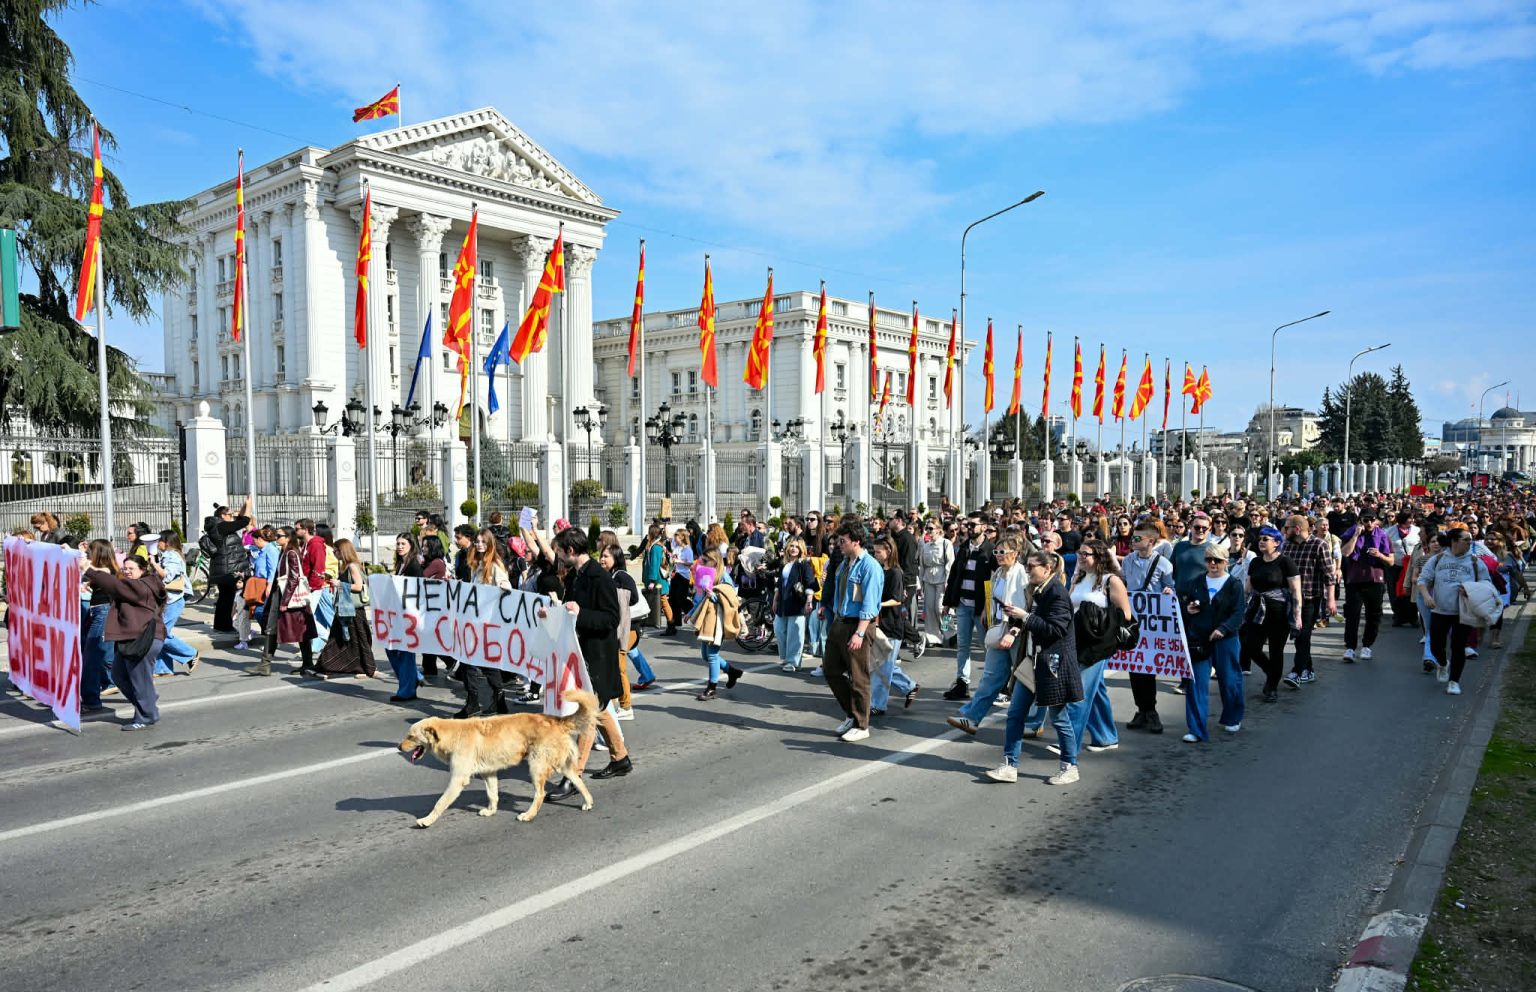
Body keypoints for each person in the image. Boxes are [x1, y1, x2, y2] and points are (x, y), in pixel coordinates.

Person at [544, 527, 633, 798]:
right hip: (580, 655)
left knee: (586, 716)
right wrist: (551, 613)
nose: (558, 557)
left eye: (560, 551)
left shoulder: (599, 578)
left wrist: (581, 614)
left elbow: (610, 620)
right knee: (600, 708)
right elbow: (570, 610)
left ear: (570, 551)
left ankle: (574, 776)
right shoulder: (576, 576)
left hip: (597, 656)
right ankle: (620, 758)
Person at [983, 549, 1084, 785]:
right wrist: (1018, 621)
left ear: (1047, 569)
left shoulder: (1056, 593)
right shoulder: (1039, 590)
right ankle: (1010, 764)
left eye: (1031, 567)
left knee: (1059, 718)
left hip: (1052, 664)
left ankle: (1070, 765)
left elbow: (1056, 630)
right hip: (1034, 662)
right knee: (1016, 713)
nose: (1027, 571)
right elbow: (1034, 622)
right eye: (1027, 566)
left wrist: (1025, 617)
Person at [945, 533, 1032, 737]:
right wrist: (987, 610)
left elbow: (1024, 607)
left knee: (1024, 678)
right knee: (990, 677)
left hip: (1016, 632)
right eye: (997, 552)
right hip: (999, 629)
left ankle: (1034, 720)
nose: (999, 555)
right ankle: (972, 717)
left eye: (1003, 552)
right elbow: (992, 595)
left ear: (1016, 554)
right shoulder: (998, 572)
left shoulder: (1021, 574)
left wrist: (1014, 631)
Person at [83, 553, 168, 730]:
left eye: (132, 569)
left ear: (142, 570)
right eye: (125, 568)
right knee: (118, 675)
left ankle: (146, 716)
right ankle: (148, 701)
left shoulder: (141, 586)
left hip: (145, 639)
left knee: (139, 680)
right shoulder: (139, 584)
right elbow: (111, 578)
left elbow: (114, 584)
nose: (127, 572)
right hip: (133, 638)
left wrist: (87, 568)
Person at [820, 517, 883, 742]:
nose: (839, 544)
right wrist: (827, 607)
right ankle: (851, 713)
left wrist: (859, 632)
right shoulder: (844, 563)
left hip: (858, 625)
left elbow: (869, 603)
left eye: (843, 540)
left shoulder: (870, 567)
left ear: (856, 541)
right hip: (840, 621)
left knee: (859, 677)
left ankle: (861, 724)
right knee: (831, 670)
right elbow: (840, 591)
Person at [1064, 539, 1130, 753]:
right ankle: (1106, 736)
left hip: (1097, 644)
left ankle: (1068, 743)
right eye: (1080, 553)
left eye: (1087, 554)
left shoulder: (1112, 581)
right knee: (1096, 690)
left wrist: (1096, 619)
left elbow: (1125, 615)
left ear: (1099, 557)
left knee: (1079, 693)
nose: (1081, 557)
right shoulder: (1078, 578)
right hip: (1075, 640)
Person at [1179, 541, 1245, 741]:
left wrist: (1223, 629)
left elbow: (1238, 613)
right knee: (1196, 683)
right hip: (1199, 638)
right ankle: (1196, 729)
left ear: (1226, 562)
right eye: (1208, 560)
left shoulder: (1234, 584)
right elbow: (1188, 605)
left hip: (1226, 639)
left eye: (1217, 560)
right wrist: (1188, 610)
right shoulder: (1197, 581)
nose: (1212, 564)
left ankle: (1233, 717)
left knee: (1230, 679)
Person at [1418, 528, 1491, 695]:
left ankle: (1454, 681)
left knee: (1458, 647)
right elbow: (1423, 580)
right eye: (1466, 539)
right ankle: (1443, 664)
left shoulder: (1475, 562)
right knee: (1436, 646)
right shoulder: (1438, 559)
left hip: (1462, 612)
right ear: (1454, 541)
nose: (1470, 542)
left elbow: (1486, 583)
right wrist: (1427, 596)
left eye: (1470, 539)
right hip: (1439, 610)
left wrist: (1472, 591)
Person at [1119, 520, 1175, 733]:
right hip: (1133, 621)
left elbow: (1170, 587)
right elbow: (1125, 584)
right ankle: (1141, 709)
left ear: (1151, 541)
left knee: (1148, 666)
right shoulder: (1128, 561)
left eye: (1137, 538)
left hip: (1153, 625)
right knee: (1135, 665)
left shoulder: (1164, 564)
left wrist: (1169, 592)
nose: (1132, 541)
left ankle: (1151, 710)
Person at [247, 527, 319, 677]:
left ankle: (306, 663)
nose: (276, 537)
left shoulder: (291, 553)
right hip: (280, 595)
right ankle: (265, 664)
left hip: (288, 598)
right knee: (273, 628)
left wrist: (285, 601)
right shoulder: (283, 551)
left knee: (299, 631)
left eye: (279, 535)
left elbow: (293, 578)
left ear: (287, 538)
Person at [1240, 526, 1301, 703]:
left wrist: (1297, 616)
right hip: (1256, 610)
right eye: (1260, 538)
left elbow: (1295, 590)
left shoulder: (1285, 562)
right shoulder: (1256, 562)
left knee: (1276, 651)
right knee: (1249, 646)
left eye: (1266, 539)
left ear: (1276, 542)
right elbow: (1248, 588)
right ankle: (1271, 671)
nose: (1261, 541)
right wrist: (1241, 609)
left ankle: (1271, 686)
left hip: (1279, 613)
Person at [456, 529, 511, 716]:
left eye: (483, 542)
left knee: (486, 663)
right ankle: (475, 701)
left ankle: (497, 698)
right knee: (469, 661)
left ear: (490, 544)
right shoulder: (477, 565)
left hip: (488, 624)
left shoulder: (495, 565)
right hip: (475, 622)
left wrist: (504, 588)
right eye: (477, 541)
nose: (479, 544)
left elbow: (506, 588)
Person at [942, 514, 994, 700]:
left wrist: (988, 610)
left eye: (972, 525)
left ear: (984, 527)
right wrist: (948, 603)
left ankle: (990, 685)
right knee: (963, 646)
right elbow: (954, 576)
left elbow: (993, 583)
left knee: (986, 647)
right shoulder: (963, 548)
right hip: (963, 605)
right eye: (966, 525)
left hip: (981, 609)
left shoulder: (991, 551)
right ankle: (962, 683)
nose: (968, 528)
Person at [1281, 514, 1335, 688]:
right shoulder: (1286, 545)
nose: (1285, 530)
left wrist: (1331, 601)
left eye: (1287, 527)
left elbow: (1329, 575)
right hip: (1288, 598)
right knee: (1299, 638)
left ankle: (1297, 672)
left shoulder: (1319, 545)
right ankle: (1308, 669)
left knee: (1303, 635)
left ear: (1297, 529)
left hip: (1311, 598)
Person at [868, 536, 919, 715]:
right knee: (881, 664)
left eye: (878, 551)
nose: (875, 554)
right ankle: (909, 686)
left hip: (892, 624)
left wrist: (877, 605)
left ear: (888, 551)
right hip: (880, 623)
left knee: (884, 667)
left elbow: (896, 600)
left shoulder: (896, 572)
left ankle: (878, 704)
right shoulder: (880, 569)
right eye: (874, 551)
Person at [315, 538, 376, 679]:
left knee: (358, 638)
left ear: (343, 551)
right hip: (345, 607)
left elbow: (358, 586)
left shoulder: (353, 566)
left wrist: (339, 584)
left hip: (353, 609)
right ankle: (330, 665)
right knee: (340, 637)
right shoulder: (345, 566)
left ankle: (367, 667)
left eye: (336, 550)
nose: (334, 553)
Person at [603, 545, 658, 697]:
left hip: (629, 624)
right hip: (625, 625)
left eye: (605, 556)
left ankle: (624, 704)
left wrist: (617, 604)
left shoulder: (620, 575)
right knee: (629, 651)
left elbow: (632, 596)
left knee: (618, 667)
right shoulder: (611, 574)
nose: (601, 559)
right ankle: (647, 675)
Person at [1339, 511, 1394, 662]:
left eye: (1371, 520)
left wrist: (1380, 555)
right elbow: (1345, 553)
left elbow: (1391, 561)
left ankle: (1367, 645)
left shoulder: (1382, 535)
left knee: (1374, 615)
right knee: (1352, 615)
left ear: (1376, 520)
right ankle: (1350, 648)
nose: (1369, 523)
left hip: (1375, 579)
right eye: (1365, 520)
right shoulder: (1351, 533)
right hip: (1355, 579)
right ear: (1360, 521)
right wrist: (1356, 536)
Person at [150, 530, 200, 677]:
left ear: (167, 542)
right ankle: (163, 668)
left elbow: (167, 575)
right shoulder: (169, 555)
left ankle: (190, 654)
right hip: (168, 600)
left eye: (160, 540)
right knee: (160, 633)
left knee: (160, 633)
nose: (158, 544)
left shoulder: (171, 555)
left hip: (173, 600)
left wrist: (154, 564)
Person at [78, 539, 120, 713]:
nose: (88, 554)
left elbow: (87, 568)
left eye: (91, 552)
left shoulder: (106, 569)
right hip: (97, 614)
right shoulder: (102, 570)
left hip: (103, 614)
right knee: (100, 657)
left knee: (92, 658)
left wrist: (78, 553)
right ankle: (137, 688)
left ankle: (91, 700)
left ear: (99, 553)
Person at [205, 497, 253, 634]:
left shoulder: (218, 526)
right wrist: (249, 505)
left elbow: (240, 520)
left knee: (224, 597)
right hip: (227, 568)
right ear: (222, 515)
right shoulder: (222, 526)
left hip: (223, 567)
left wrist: (244, 506)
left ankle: (220, 624)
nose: (232, 517)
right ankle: (224, 625)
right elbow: (244, 521)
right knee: (227, 598)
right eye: (230, 515)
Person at [772, 536, 819, 673]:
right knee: (779, 629)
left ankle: (793, 661)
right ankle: (787, 658)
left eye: (797, 547)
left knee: (795, 633)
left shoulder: (803, 564)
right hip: (783, 602)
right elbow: (779, 583)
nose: (793, 549)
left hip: (797, 602)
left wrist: (809, 601)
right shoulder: (784, 563)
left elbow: (810, 582)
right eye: (791, 546)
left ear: (801, 549)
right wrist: (775, 599)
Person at [386, 533, 423, 702]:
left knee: (406, 652)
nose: (399, 546)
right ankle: (413, 677)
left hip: (409, 615)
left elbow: (417, 591)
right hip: (398, 615)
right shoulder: (401, 564)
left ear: (411, 545)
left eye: (403, 543)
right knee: (391, 647)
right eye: (398, 543)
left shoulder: (414, 565)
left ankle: (407, 690)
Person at [919, 517, 955, 647]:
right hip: (929, 579)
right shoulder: (925, 545)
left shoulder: (946, 543)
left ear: (939, 530)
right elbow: (922, 565)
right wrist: (921, 583)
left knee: (941, 609)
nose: (928, 531)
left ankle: (949, 632)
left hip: (942, 579)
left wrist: (948, 582)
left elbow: (950, 564)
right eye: (927, 528)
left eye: (931, 528)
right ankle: (933, 637)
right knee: (929, 609)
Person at [1385, 511, 1422, 627]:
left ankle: (1413, 617)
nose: (1411, 521)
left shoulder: (1417, 530)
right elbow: (1386, 547)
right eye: (1409, 518)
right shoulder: (1390, 531)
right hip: (1395, 566)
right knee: (1394, 592)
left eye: (1412, 518)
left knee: (1410, 591)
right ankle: (1398, 616)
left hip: (1412, 566)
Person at [663, 527, 695, 635]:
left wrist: (680, 561)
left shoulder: (687, 550)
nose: (675, 538)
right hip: (675, 575)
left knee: (681, 599)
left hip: (683, 576)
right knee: (672, 599)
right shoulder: (676, 547)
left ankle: (694, 613)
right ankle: (675, 623)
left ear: (682, 537)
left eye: (677, 536)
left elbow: (690, 563)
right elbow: (668, 538)